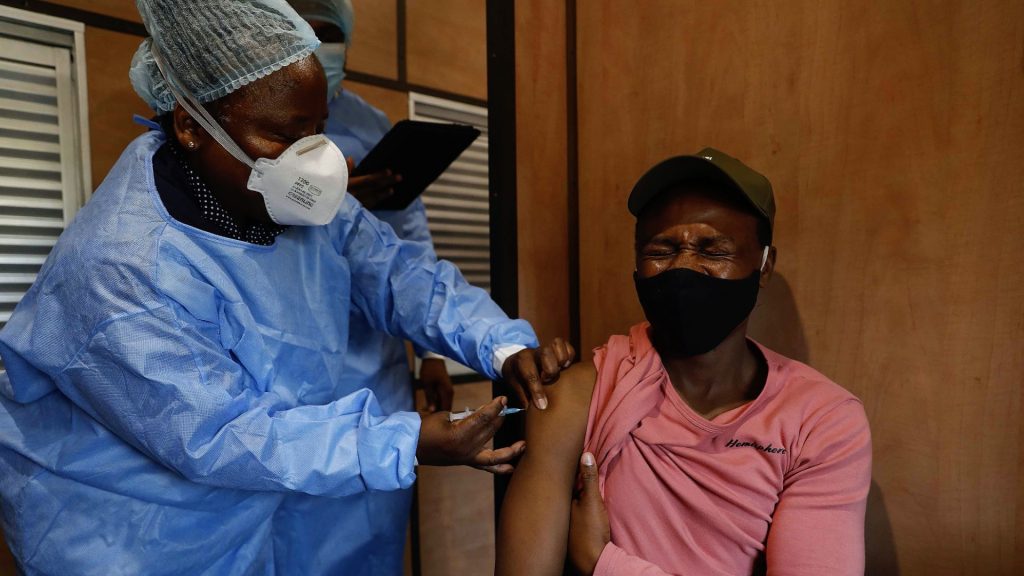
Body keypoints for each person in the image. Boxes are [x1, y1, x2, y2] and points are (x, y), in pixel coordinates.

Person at [0, 1, 571, 574]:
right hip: (129, 540)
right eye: (284, 135)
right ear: (191, 126)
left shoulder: (285, 198)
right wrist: (403, 442)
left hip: (243, 518)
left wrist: (499, 344)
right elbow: (221, 433)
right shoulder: (120, 268)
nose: (313, 163)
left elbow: (398, 272)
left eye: (317, 130)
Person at [496, 148, 872, 575]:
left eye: (714, 251)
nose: (684, 268)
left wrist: (604, 563)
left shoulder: (821, 420)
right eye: (662, 249)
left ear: (764, 266)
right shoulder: (583, 396)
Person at [282, 1, 455, 572]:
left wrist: (432, 354)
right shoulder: (259, 125)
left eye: (329, 34)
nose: (319, 44)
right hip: (289, 362)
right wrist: (331, 199)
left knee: (377, 521)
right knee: (299, 527)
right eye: (305, 31)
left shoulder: (370, 123)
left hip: (375, 364)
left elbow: (413, 248)